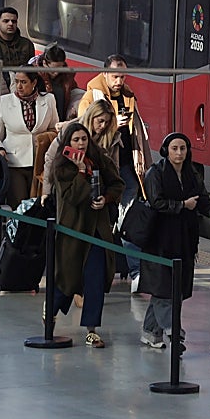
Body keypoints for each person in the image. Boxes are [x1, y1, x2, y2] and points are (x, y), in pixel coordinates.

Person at [138, 133, 210, 350]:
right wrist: (182, 205)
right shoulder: (156, 173)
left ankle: (151, 332)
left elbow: (203, 201)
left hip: (184, 239)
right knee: (165, 289)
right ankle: (174, 332)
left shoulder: (192, 172)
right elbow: (156, 202)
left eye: (183, 148)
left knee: (174, 290)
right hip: (160, 239)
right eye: (175, 148)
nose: (179, 153)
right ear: (166, 150)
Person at [78, 55, 151, 291]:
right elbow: (82, 130)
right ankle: (96, 270)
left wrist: (142, 159)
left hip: (127, 166)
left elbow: (137, 131)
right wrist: (112, 125)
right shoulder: (92, 96)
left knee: (129, 216)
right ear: (105, 74)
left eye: (123, 76)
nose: (119, 81)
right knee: (103, 219)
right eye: (115, 76)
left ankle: (136, 272)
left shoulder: (129, 96)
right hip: (102, 168)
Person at [47, 121, 123, 348]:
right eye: (76, 140)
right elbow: (73, 197)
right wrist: (80, 172)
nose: (80, 144)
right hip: (73, 230)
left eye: (83, 139)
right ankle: (50, 312)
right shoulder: (62, 169)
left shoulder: (99, 160)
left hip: (97, 231)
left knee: (95, 279)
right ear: (67, 143)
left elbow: (117, 184)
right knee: (67, 279)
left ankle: (92, 329)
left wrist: (106, 199)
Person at [0, 70, 58, 210]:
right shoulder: (4, 101)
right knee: (19, 205)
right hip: (14, 162)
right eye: (16, 82)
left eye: (23, 82)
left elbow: (55, 128)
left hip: (40, 162)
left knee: (37, 206)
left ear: (34, 82)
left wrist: (44, 139)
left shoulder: (49, 100)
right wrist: (0, 149)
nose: (19, 86)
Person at [31, 42, 81, 120]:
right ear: (44, 63)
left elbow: (73, 90)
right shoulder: (33, 75)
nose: (56, 73)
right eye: (53, 70)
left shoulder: (66, 76)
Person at [0, 7, 36, 73]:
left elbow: (31, 70)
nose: (11, 24)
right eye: (6, 21)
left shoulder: (27, 45)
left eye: (14, 21)